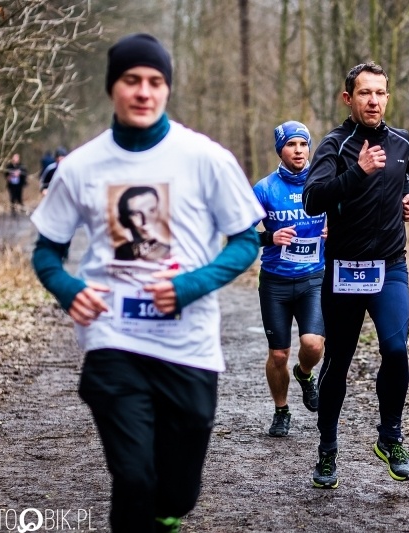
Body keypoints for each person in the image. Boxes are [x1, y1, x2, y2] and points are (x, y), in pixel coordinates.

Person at [30, 33, 265, 533]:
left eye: (155, 82)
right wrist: (69, 290)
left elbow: (247, 239)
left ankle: (167, 514)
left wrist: (190, 286)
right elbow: (46, 251)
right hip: (112, 337)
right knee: (133, 478)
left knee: (178, 492)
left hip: (188, 341)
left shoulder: (205, 158)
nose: (143, 92)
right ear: (113, 87)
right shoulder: (81, 167)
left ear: (167, 90)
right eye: (131, 80)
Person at [303, 62, 409, 489]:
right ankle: (328, 450)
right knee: (338, 363)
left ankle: (390, 438)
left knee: (396, 349)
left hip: (390, 265)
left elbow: (405, 181)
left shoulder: (402, 140)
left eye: (381, 93)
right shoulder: (335, 145)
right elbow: (313, 200)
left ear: (388, 97)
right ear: (348, 98)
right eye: (365, 93)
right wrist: (358, 173)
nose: (374, 101)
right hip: (345, 269)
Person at [253, 120, 326, 437]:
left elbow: (348, 213)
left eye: (303, 144)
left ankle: (305, 373)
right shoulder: (264, 189)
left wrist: (335, 229)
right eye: (291, 145)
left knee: (312, 344)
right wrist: (270, 237)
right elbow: (240, 234)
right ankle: (281, 411)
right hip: (276, 282)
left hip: (314, 278)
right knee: (278, 354)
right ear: (280, 150)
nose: (298, 150)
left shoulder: (323, 182)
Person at [113, 185, 172, 261]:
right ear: (123, 219)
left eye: (152, 211)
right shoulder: (119, 254)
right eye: (137, 214)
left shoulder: (171, 251)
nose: (146, 221)